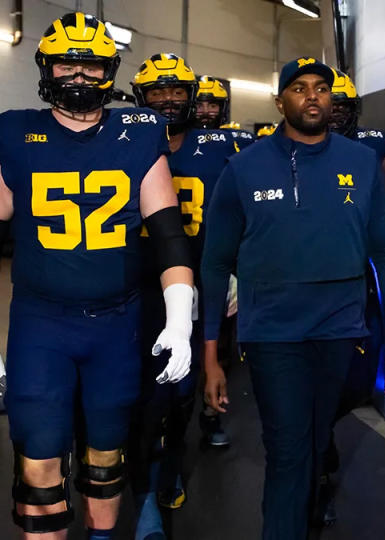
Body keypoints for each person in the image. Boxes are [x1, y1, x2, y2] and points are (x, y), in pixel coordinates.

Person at [0, 13, 195, 540]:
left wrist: (179, 317)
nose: (79, 76)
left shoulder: (139, 132)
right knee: (40, 473)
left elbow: (168, 236)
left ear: (109, 71)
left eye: (91, 64)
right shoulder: (14, 130)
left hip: (117, 323)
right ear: (46, 66)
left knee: (106, 461)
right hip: (42, 325)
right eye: (68, 62)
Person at [201, 56, 385, 540]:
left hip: (339, 329)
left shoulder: (360, 163)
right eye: (299, 88)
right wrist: (211, 355)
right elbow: (214, 264)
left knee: (315, 445)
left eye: (321, 87)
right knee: (289, 450)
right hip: (272, 332)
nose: (312, 96)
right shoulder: (243, 167)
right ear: (280, 102)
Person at [128, 53, 238, 540]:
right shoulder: (122, 139)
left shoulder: (221, 145)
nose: (169, 100)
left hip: (196, 285)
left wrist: (237, 269)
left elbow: (241, 211)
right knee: (144, 398)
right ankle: (145, 489)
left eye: (177, 91)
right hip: (136, 286)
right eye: (157, 92)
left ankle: (167, 471)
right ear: (140, 96)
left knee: (180, 395)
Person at [314, 69, 385, 525]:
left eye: (342, 105)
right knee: (308, 382)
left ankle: (320, 433)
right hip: (304, 282)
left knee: (359, 379)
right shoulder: (285, 149)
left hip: (358, 277)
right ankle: (315, 462)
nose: (333, 112)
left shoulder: (372, 146)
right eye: (327, 101)